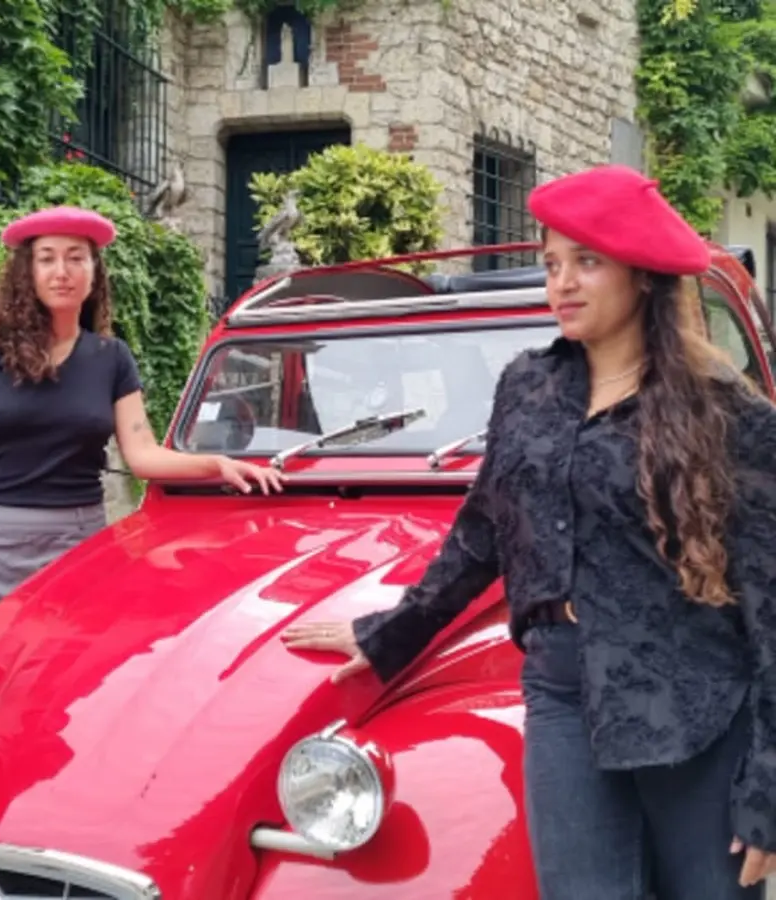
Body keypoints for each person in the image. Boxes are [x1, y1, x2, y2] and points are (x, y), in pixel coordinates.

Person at [281, 164, 776, 898]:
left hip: (694, 702)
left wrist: (768, 785)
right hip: (562, 692)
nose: (562, 283)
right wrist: (393, 629)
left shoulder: (728, 416)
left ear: (641, 276)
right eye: (550, 264)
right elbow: (486, 527)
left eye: (587, 261)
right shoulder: (528, 386)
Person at [0, 206, 284, 645]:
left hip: (79, 542)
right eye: (47, 258)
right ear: (28, 271)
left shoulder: (112, 357)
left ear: (94, 271)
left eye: (76, 257)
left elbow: (143, 455)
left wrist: (218, 464)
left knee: (67, 682)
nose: (62, 271)